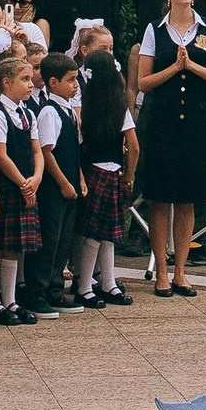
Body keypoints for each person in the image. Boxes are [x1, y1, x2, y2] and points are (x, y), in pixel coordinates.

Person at [135, 0, 206, 298]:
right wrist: (174, 68)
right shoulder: (155, 30)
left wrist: (192, 66)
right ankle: (161, 271)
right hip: (162, 121)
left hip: (195, 121)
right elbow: (142, 81)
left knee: (188, 198)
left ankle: (181, 272)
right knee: (160, 198)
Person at [73, 47, 138, 308]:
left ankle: (104, 282)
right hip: (112, 172)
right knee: (103, 233)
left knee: (97, 232)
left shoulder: (82, 105)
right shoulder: (119, 107)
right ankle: (87, 285)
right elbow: (133, 146)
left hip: (91, 172)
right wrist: (128, 176)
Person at [0, 51, 43, 326]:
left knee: (13, 247)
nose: (31, 84)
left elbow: (37, 149)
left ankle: (10, 300)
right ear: (6, 83)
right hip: (8, 185)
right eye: (25, 79)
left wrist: (36, 178)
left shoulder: (28, 113)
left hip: (27, 185)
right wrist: (22, 182)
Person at [26, 53, 86, 312]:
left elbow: (74, 149)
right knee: (49, 239)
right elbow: (47, 151)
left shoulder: (68, 111)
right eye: (70, 80)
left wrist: (79, 179)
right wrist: (62, 182)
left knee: (63, 240)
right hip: (54, 188)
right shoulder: (49, 112)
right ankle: (37, 292)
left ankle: (55, 288)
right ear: (53, 82)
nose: (76, 85)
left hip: (70, 184)